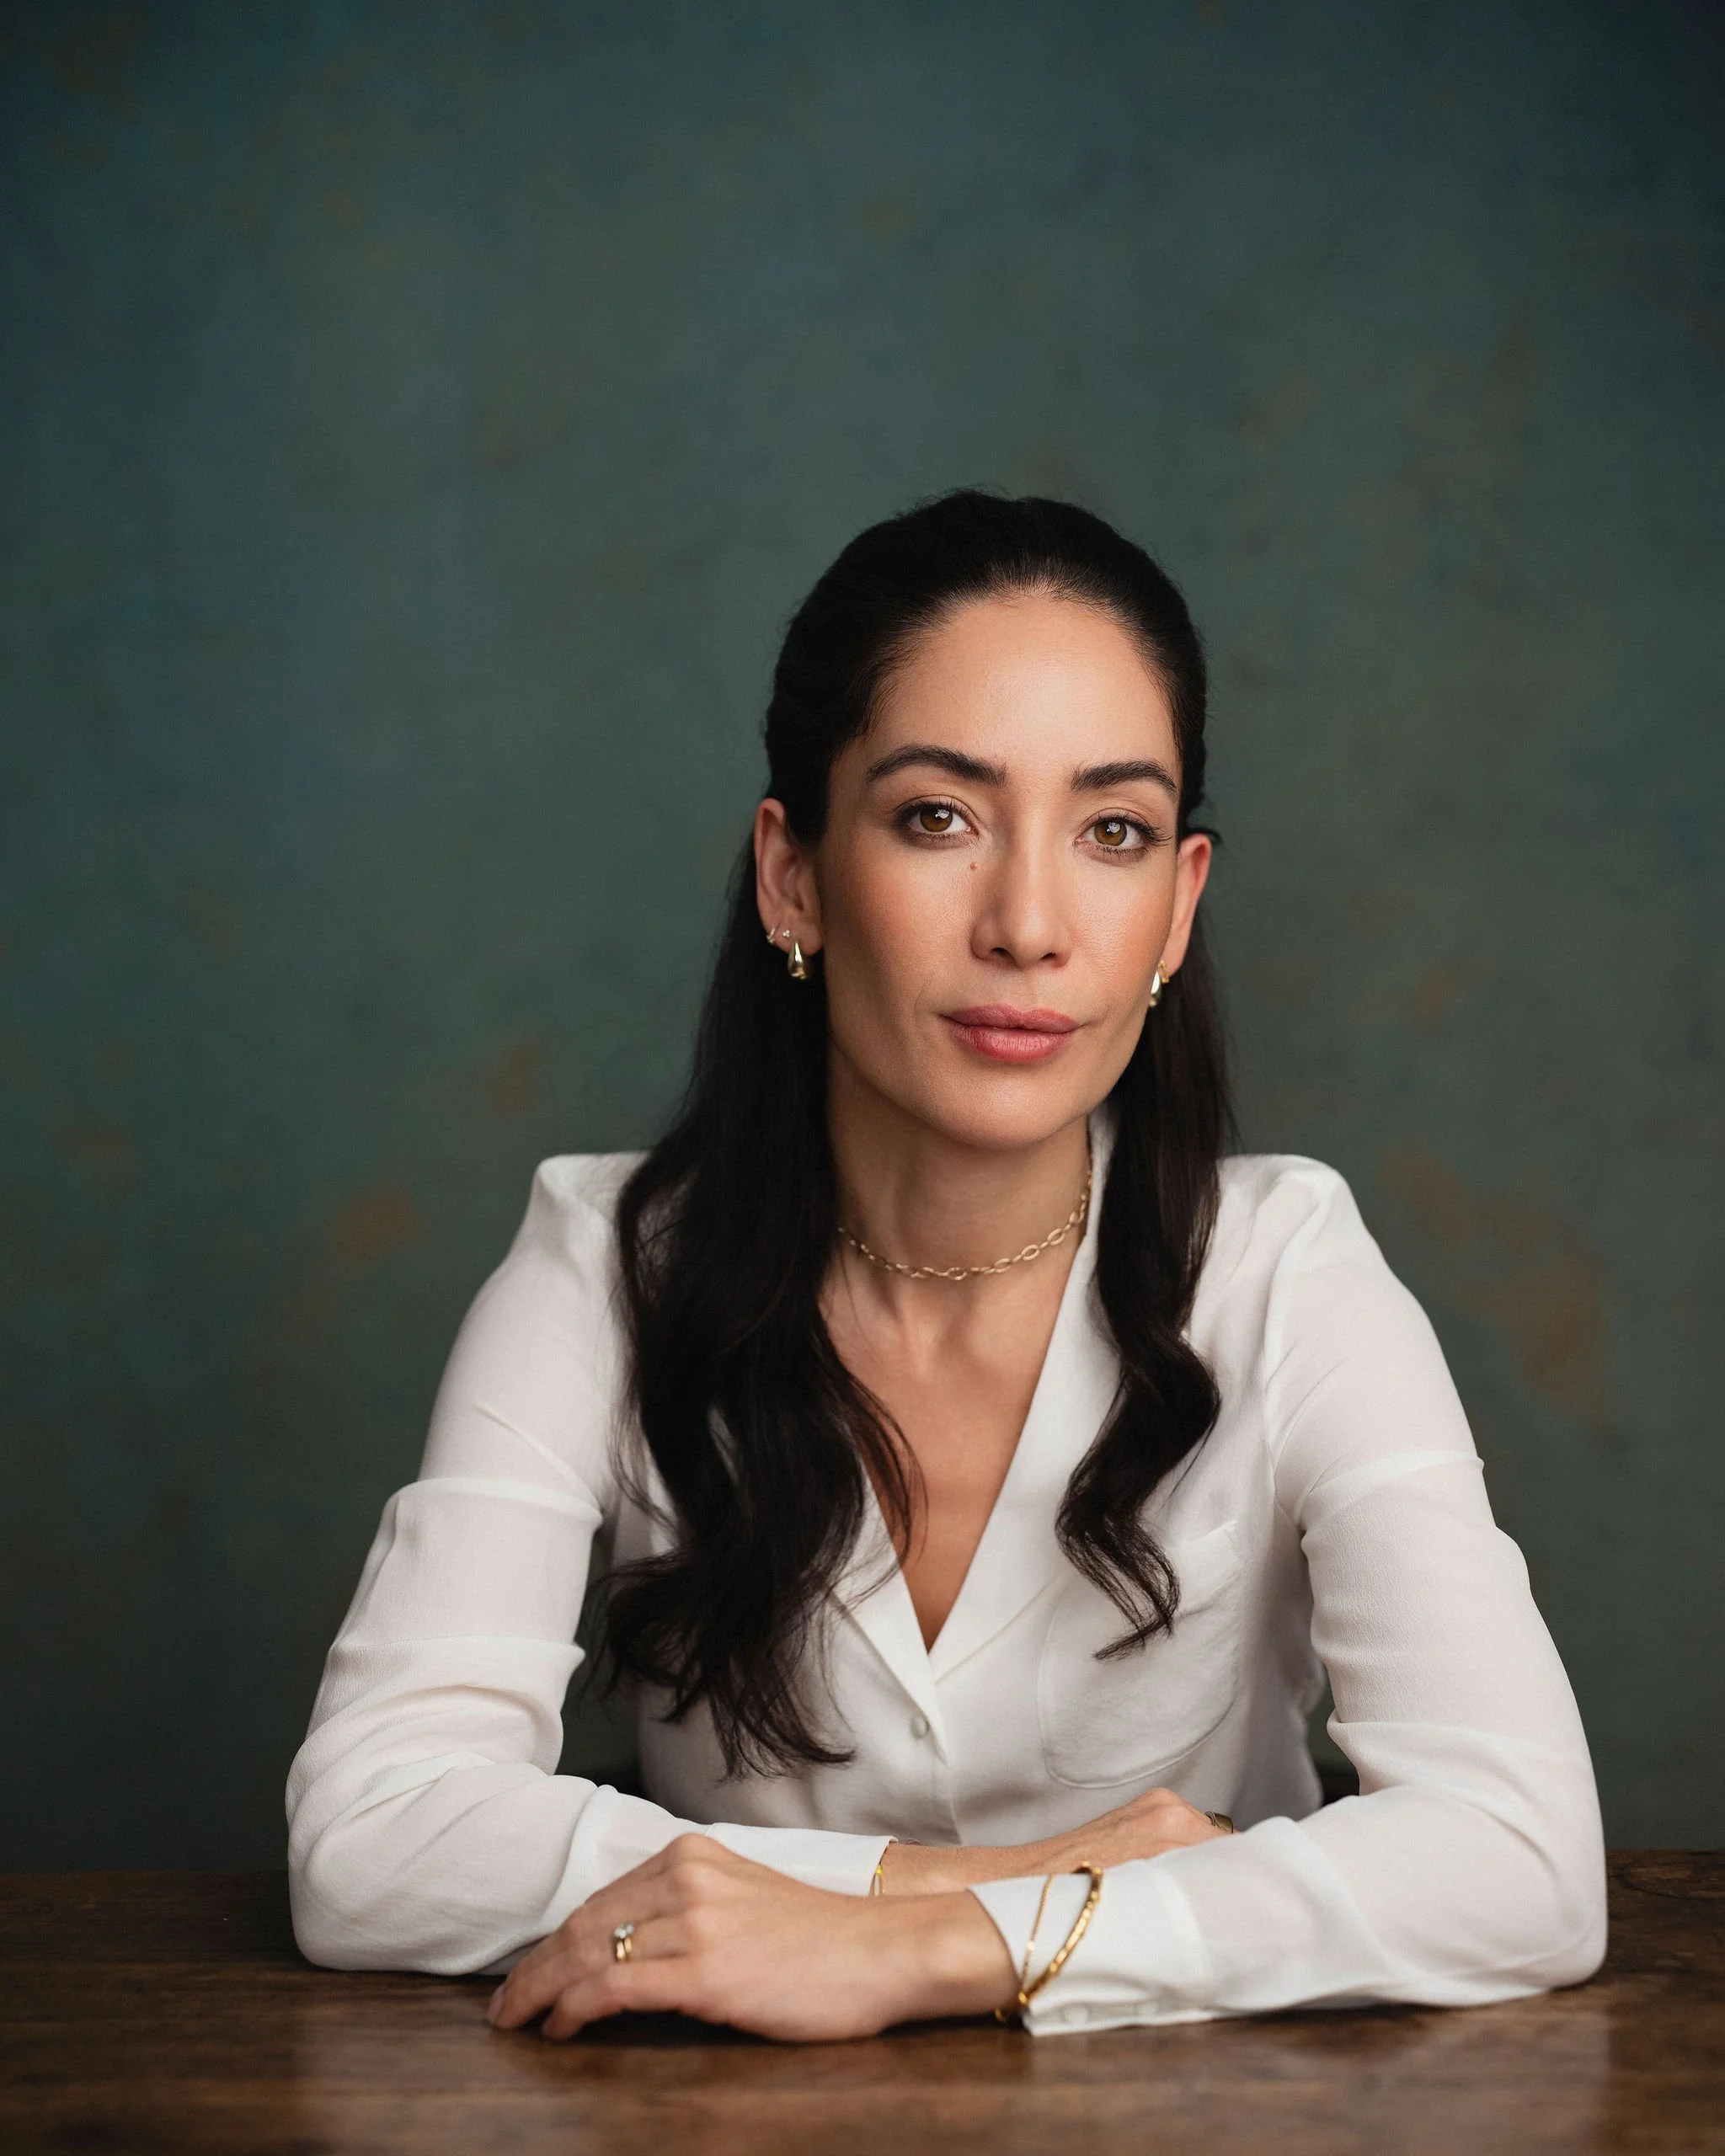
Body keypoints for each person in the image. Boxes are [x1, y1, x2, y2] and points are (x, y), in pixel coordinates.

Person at [286, 491, 1606, 2041]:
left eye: (1112, 832)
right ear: (793, 876)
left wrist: (928, 1949)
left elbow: (1524, 1863)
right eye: (938, 817)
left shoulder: (1288, 1273)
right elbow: (370, 1834)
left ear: (1178, 905)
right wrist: (977, 1883)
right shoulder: (605, 1267)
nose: (1029, 924)